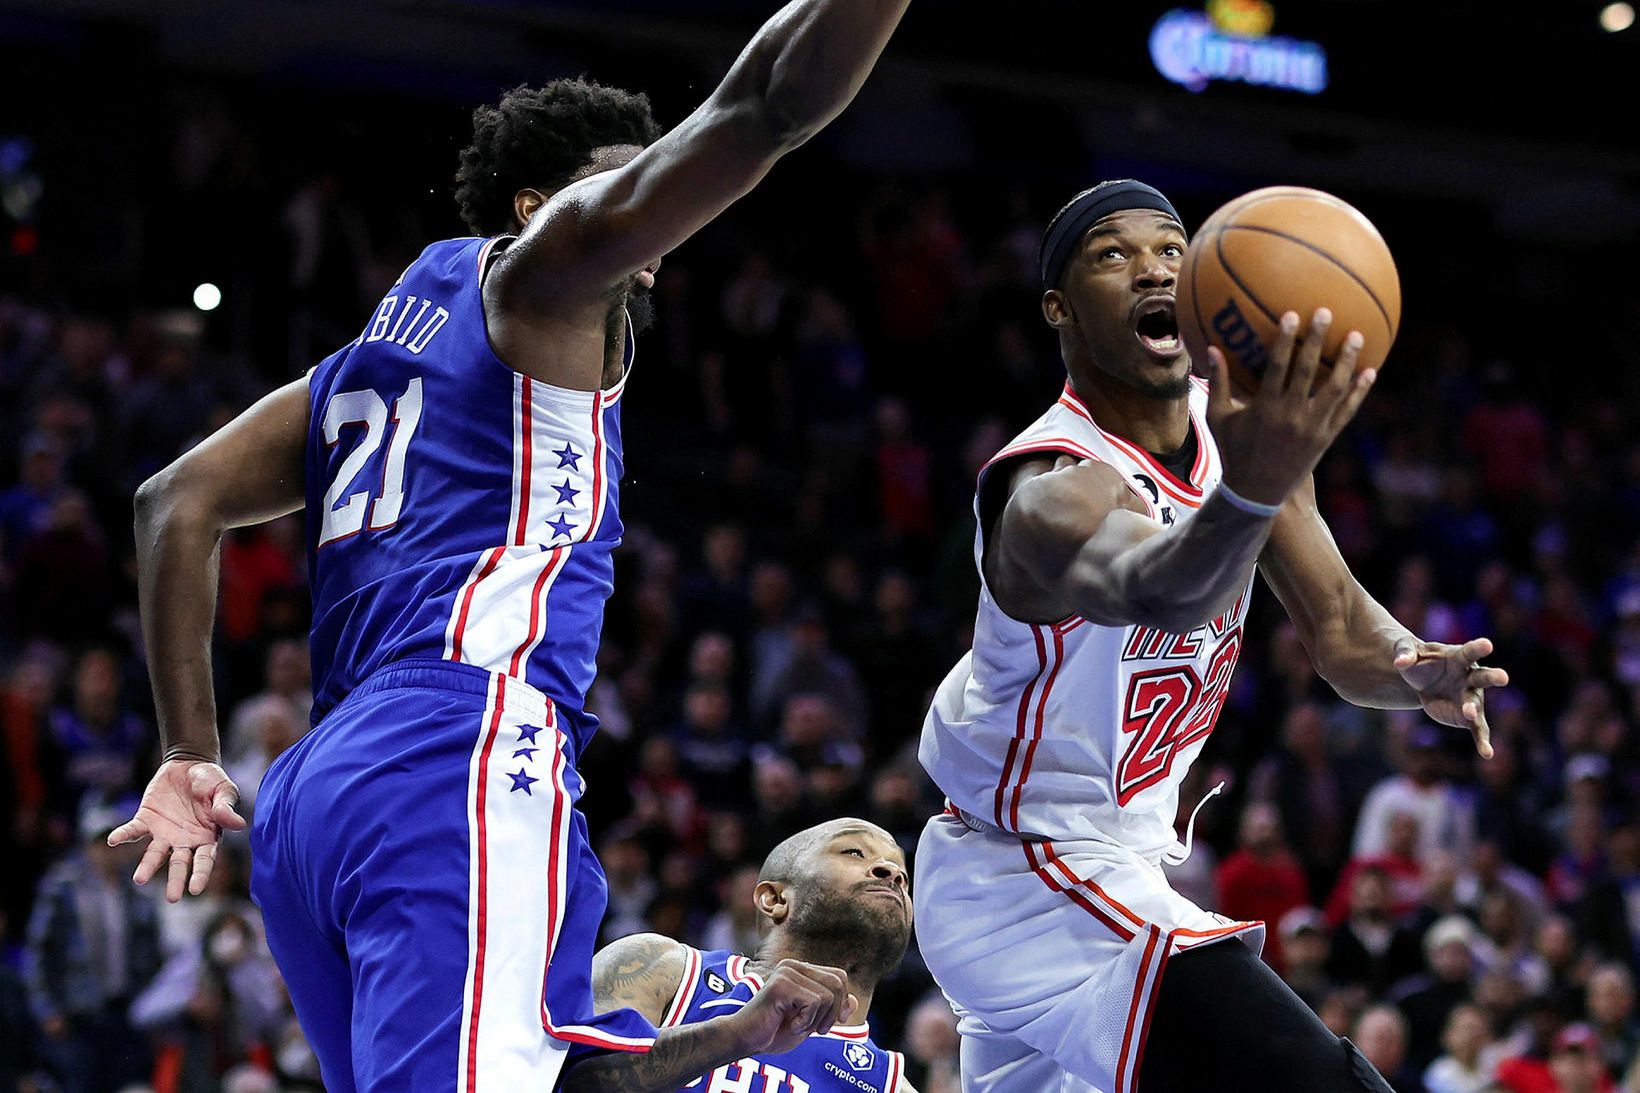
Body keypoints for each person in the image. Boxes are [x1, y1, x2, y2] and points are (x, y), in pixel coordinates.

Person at [107, 3, 911, 1088]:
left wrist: (186, 751)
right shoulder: (544, 279)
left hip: (320, 789)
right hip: (459, 741)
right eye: (637, 180)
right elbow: (763, 107)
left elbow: (173, 501)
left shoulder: (381, 348)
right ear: (540, 209)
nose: (662, 219)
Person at [912, 180, 1511, 1092]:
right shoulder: (1048, 485)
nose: (1154, 267)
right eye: (1115, 254)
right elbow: (1162, 590)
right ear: (1058, 309)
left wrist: (1414, 667)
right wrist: (1254, 483)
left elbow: (1344, 628)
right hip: (1027, 871)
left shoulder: (1230, 432)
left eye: (1170, 247)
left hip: (1118, 861)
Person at [585, 818, 916, 1091]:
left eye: (903, 874)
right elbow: (564, 1079)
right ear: (774, 899)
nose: (892, 872)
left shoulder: (889, 1084)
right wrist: (736, 1034)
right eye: (855, 852)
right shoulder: (661, 967)